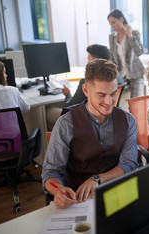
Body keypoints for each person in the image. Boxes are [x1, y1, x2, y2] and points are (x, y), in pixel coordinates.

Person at [42, 59, 139, 209]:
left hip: (116, 193)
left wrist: (97, 179)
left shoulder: (128, 120)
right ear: (86, 91)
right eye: (101, 95)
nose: (109, 101)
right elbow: (51, 171)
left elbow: (129, 163)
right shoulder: (66, 123)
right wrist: (58, 191)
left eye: (113, 93)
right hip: (78, 198)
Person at [46, 44, 123, 130]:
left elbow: (70, 107)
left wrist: (67, 94)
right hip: (108, 116)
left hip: (85, 121)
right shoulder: (117, 76)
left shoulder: (85, 82)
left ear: (95, 62)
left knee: (47, 110)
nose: (87, 63)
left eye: (89, 60)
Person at [107, 9, 145, 98]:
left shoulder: (134, 33)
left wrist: (130, 35)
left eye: (114, 22)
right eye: (110, 24)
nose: (112, 26)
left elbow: (139, 52)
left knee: (135, 104)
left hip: (135, 74)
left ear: (121, 19)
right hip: (120, 75)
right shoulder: (112, 37)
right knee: (115, 100)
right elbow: (111, 57)